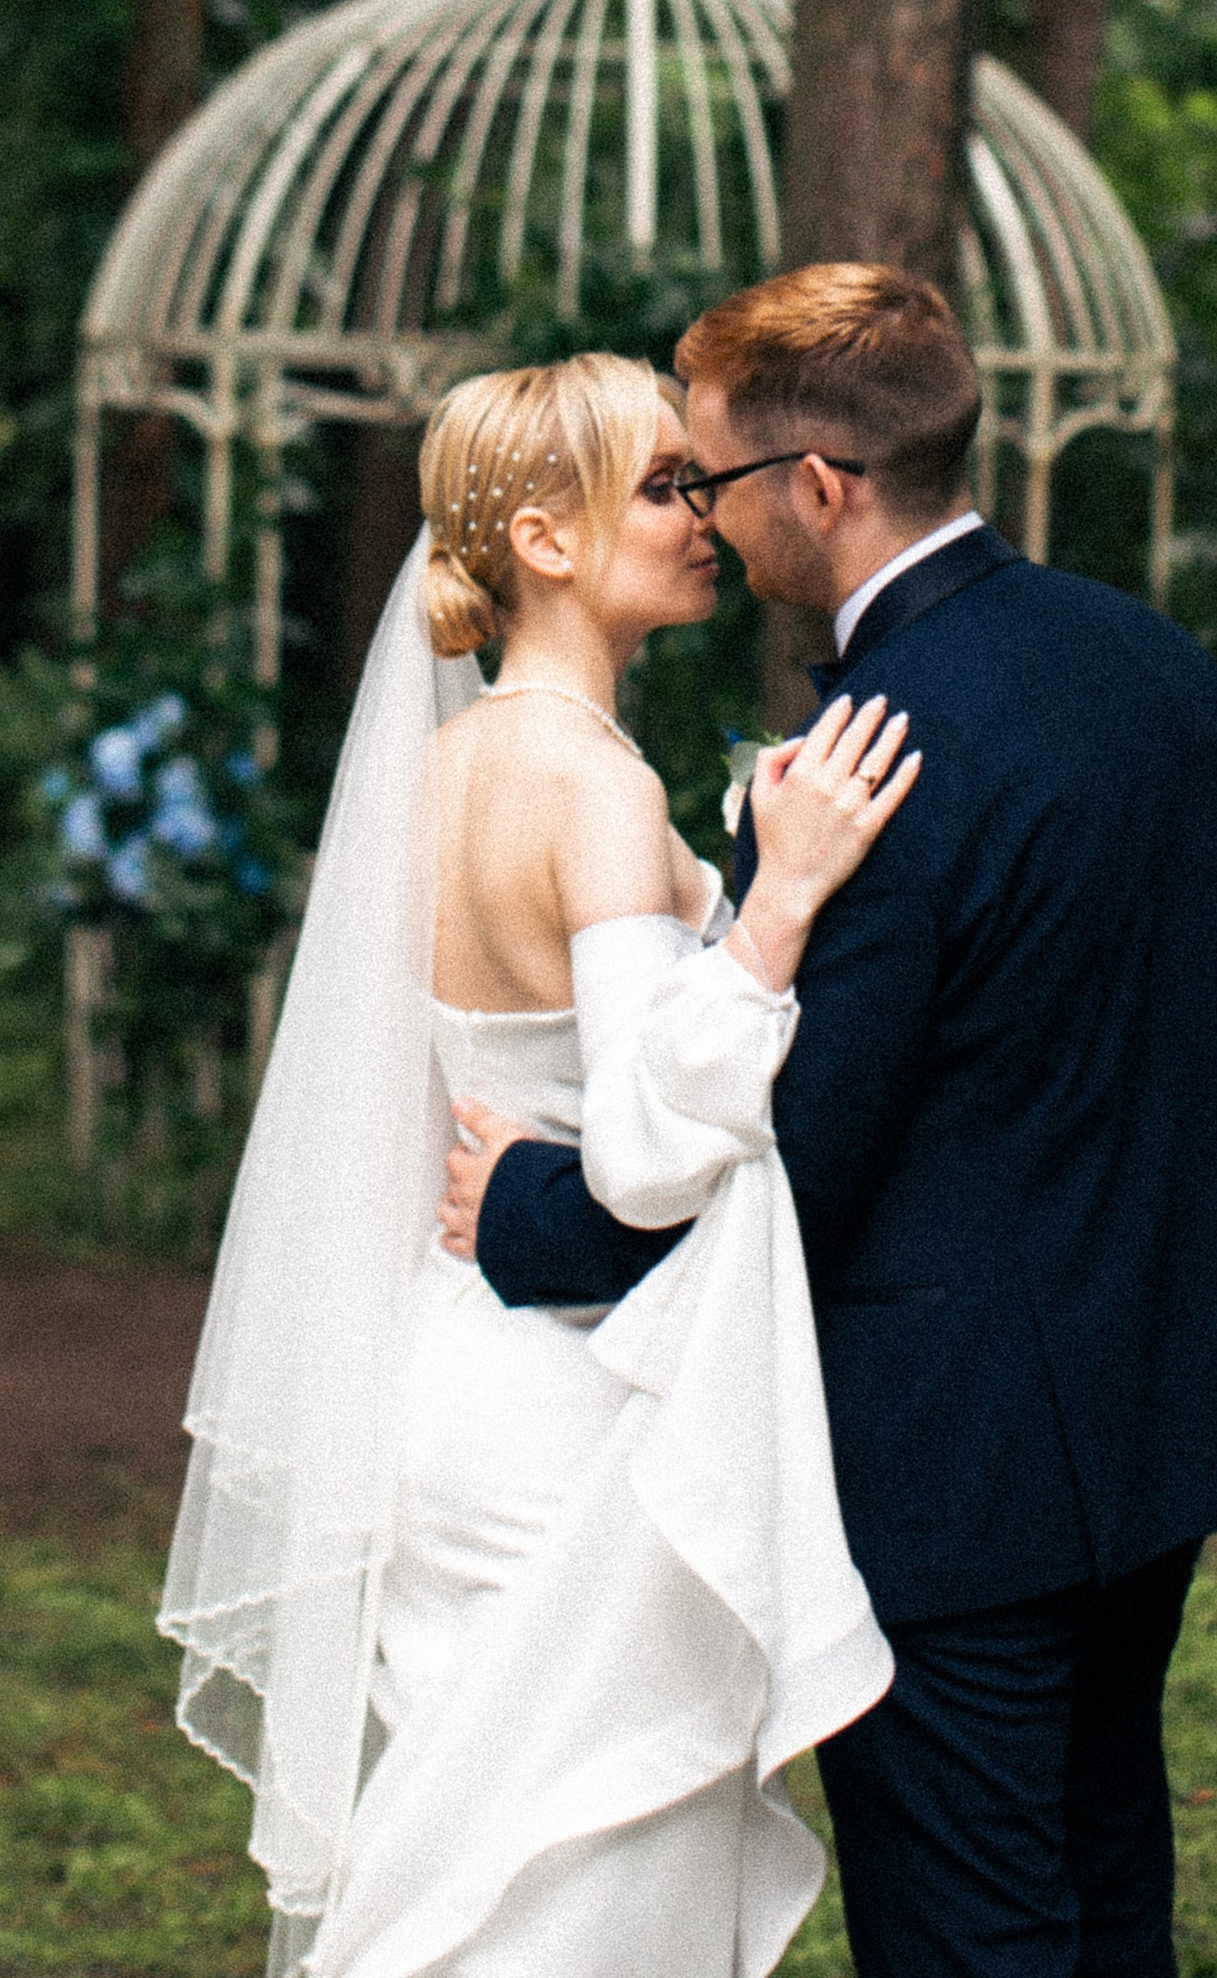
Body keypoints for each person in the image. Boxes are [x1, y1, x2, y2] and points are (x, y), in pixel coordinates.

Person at [440, 264, 1217, 1978]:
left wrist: (528, 1213)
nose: (705, 515)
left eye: (712, 480)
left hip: (945, 1454)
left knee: (969, 1929)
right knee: (1107, 1878)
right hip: (1165, 1394)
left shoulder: (859, 759)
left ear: (823, 485)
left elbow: (797, 1154)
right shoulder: (1153, 662)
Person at [160, 348, 924, 1978]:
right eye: (663, 487)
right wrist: (780, 905)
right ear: (546, 540)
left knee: (482, 1863)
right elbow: (645, 1153)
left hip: (450, 1372)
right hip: (572, 1404)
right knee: (583, 1891)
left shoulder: (441, 773)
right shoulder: (592, 782)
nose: (702, 515)